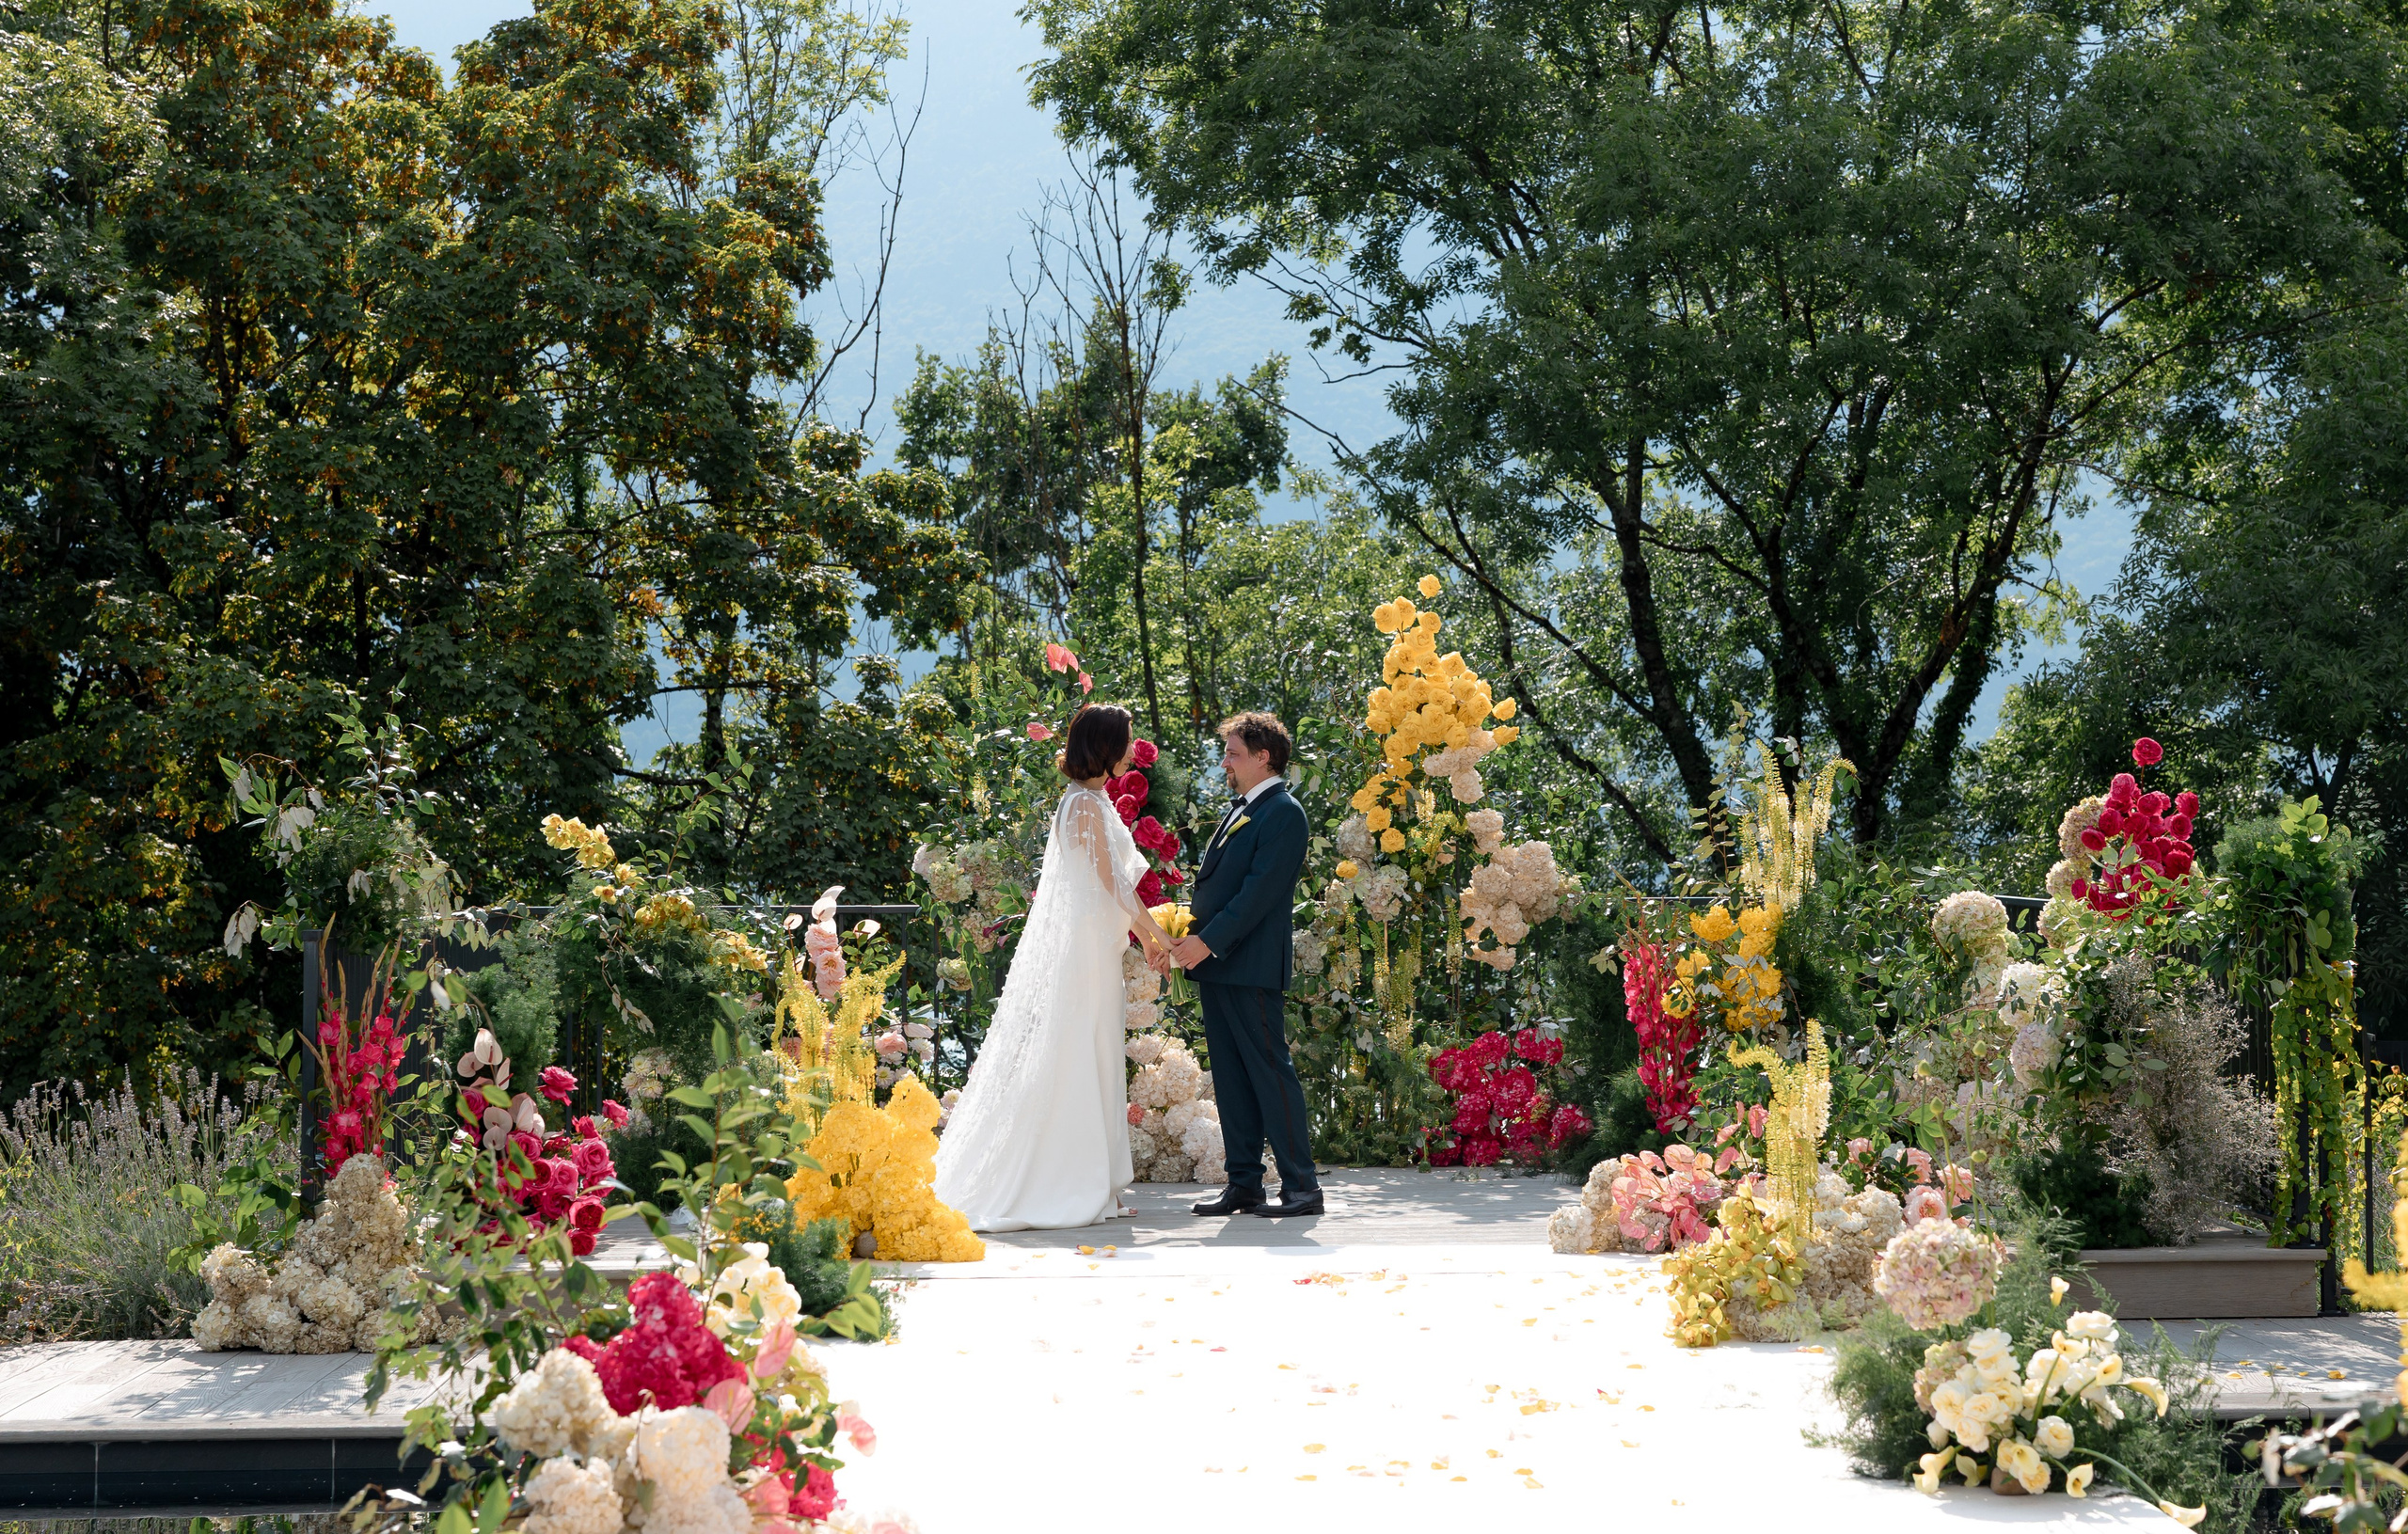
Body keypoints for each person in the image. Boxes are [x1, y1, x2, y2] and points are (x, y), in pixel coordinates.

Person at [932, 704, 1179, 1231]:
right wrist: (1157, 937)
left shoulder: (1089, 799)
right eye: (1128, 740)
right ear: (1107, 747)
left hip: (1094, 948)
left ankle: (1100, 1185)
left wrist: (1146, 936)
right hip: (1084, 955)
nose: (1135, 750)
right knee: (1079, 1056)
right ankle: (1073, 1184)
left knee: (1097, 1053)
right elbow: (1115, 884)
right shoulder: (1084, 806)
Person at [1169, 713, 1323, 1217]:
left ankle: (1302, 1188)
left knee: (1270, 1075)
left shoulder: (1283, 812)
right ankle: (1245, 1185)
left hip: (1249, 965)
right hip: (1218, 964)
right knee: (1232, 1079)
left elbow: (1258, 894)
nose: (1225, 763)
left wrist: (1207, 942)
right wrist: (1188, 938)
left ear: (1264, 757)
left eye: (1234, 754)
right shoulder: (1244, 809)